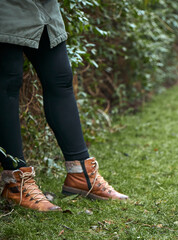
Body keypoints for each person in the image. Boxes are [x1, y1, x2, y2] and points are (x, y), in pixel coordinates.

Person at [0, 0, 128, 211]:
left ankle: (81, 173)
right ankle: (16, 181)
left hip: (44, 8)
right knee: (8, 84)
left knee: (60, 79)